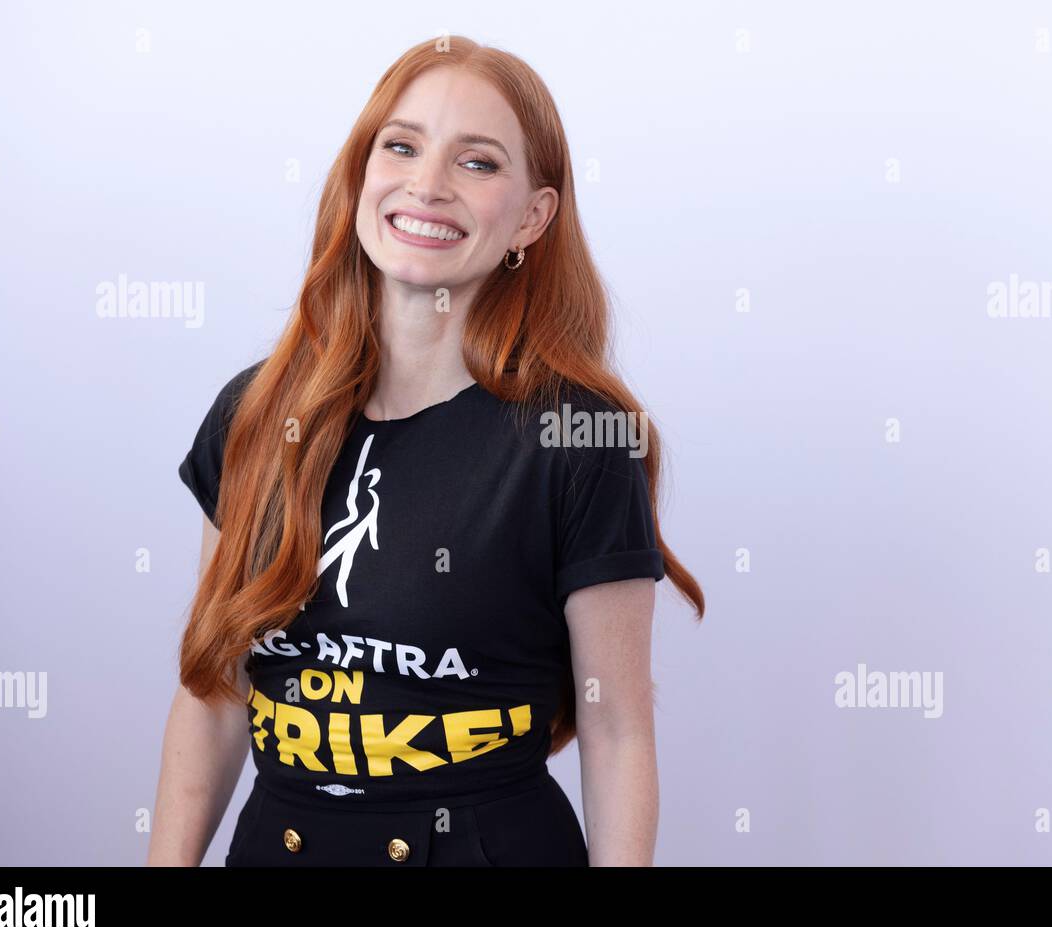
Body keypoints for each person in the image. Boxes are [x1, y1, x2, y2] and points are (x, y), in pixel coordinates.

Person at [146, 34, 704, 868]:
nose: (427, 184)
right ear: (363, 175)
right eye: (401, 146)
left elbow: (617, 728)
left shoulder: (580, 438)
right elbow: (216, 696)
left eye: (477, 163)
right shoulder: (256, 412)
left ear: (533, 216)